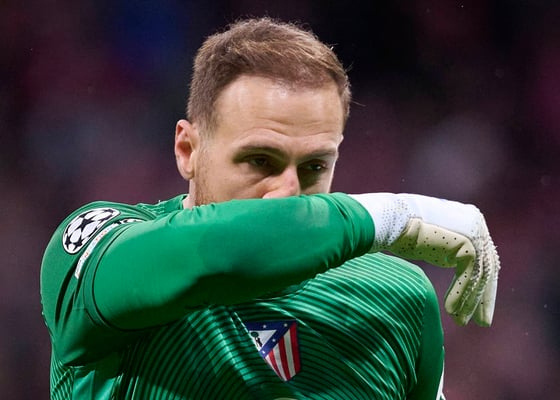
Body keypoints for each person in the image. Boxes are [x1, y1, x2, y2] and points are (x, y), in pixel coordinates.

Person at [40, 17, 500, 400]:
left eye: (315, 166)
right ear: (188, 150)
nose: (287, 194)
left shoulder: (398, 297)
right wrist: (393, 216)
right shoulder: (99, 246)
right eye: (260, 160)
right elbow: (222, 252)